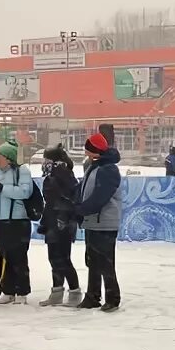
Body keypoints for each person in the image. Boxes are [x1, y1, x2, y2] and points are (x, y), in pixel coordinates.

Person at [0, 140, 33, 306]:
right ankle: (8, 290)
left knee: (18, 257)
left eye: (0, 155)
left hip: (17, 221)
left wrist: (3, 188)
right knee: (3, 256)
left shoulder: (22, 172)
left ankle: (22, 291)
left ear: (9, 158)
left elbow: (25, 192)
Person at [75, 132, 123, 312]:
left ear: (95, 151)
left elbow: (100, 197)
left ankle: (113, 298)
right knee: (92, 261)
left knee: (105, 262)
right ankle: (92, 296)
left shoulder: (108, 169)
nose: (86, 153)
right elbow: (83, 190)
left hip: (105, 222)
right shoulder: (93, 167)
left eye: (88, 149)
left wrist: (80, 210)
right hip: (92, 221)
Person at [37, 144, 82, 307]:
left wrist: (62, 218)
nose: (44, 162)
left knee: (63, 259)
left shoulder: (62, 173)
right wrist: (45, 221)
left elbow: (69, 199)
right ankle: (57, 292)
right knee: (54, 258)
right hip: (53, 221)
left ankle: (75, 292)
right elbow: (50, 202)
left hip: (62, 222)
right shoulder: (52, 174)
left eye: (46, 158)